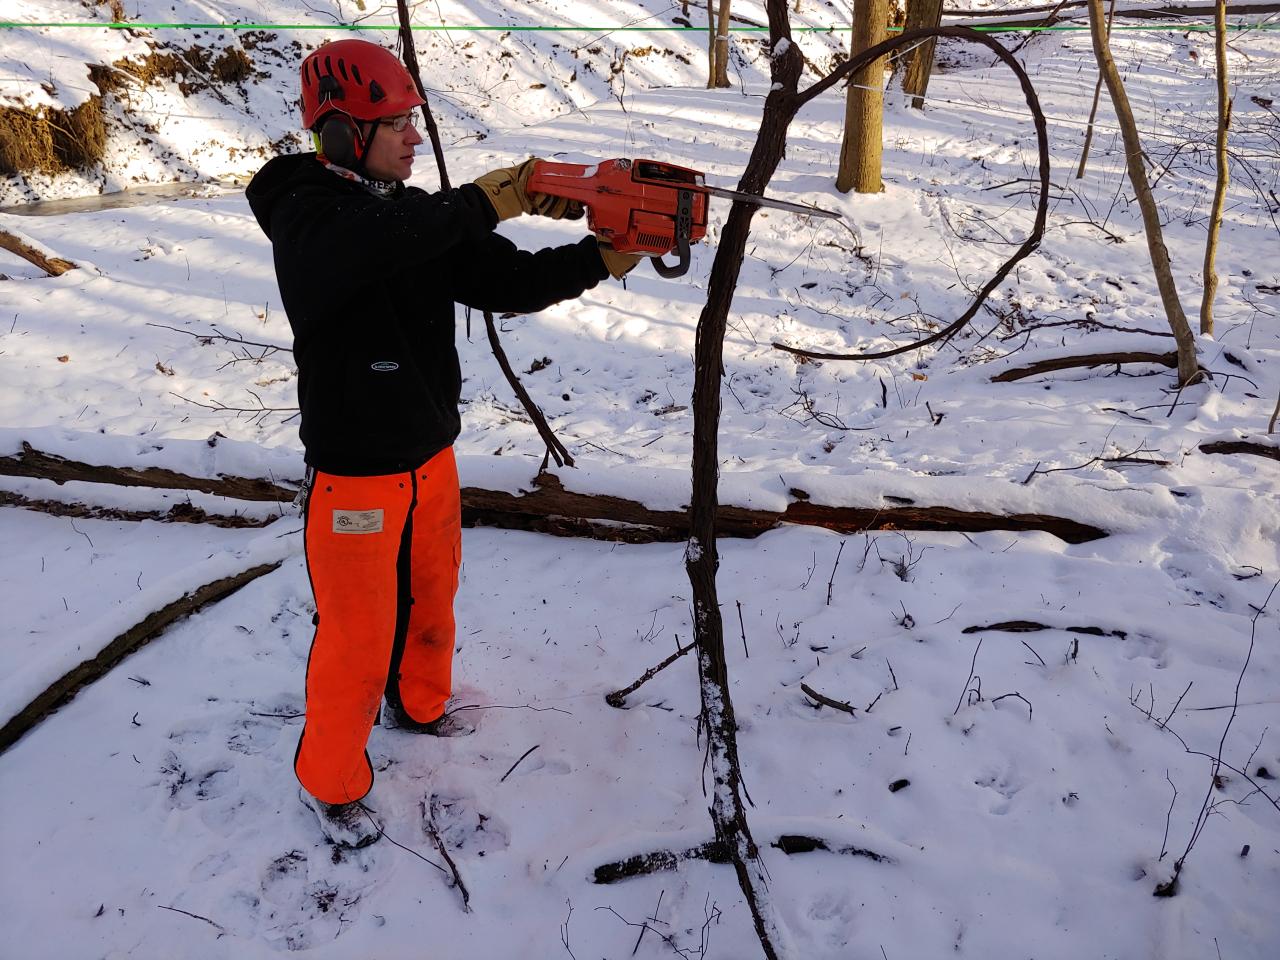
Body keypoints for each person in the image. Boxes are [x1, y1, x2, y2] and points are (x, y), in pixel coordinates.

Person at [246, 38, 651, 848]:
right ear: (339, 133)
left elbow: (512, 281)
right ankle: (330, 783)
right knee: (356, 634)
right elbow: (360, 246)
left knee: (432, 599)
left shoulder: (414, 218)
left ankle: (422, 704)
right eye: (394, 122)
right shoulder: (304, 212)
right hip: (355, 478)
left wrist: (608, 253)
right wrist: (483, 201)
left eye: (410, 121)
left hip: (430, 457)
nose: (412, 137)